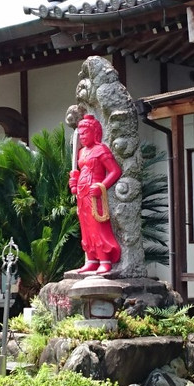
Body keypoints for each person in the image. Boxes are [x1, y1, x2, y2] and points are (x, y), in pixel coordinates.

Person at [69, 114, 122, 275]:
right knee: (85, 227)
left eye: (86, 133)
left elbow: (115, 171)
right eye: (81, 134)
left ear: (95, 133)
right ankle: (91, 259)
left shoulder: (101, 150)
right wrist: (74, 183)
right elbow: (80, 171)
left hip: (95, 194)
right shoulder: (81, 152)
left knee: (97, 226)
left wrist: (102, 186)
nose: (83, 137)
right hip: (82, 194)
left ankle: (104, 259)